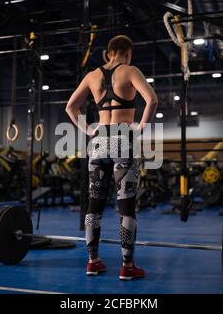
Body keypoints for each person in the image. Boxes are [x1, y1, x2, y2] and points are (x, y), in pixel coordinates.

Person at [66, 35, 158, 280]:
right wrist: (140, 127)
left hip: (97, 142)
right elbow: (152, 100)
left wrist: (88, 130)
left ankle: (93, 262)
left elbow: (70, 107)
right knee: (126, 206)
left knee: (94, 205)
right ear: (128, 53)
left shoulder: (91, 76)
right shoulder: (130, 70)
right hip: (123, 139)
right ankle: (127, 266)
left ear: (108, 54)